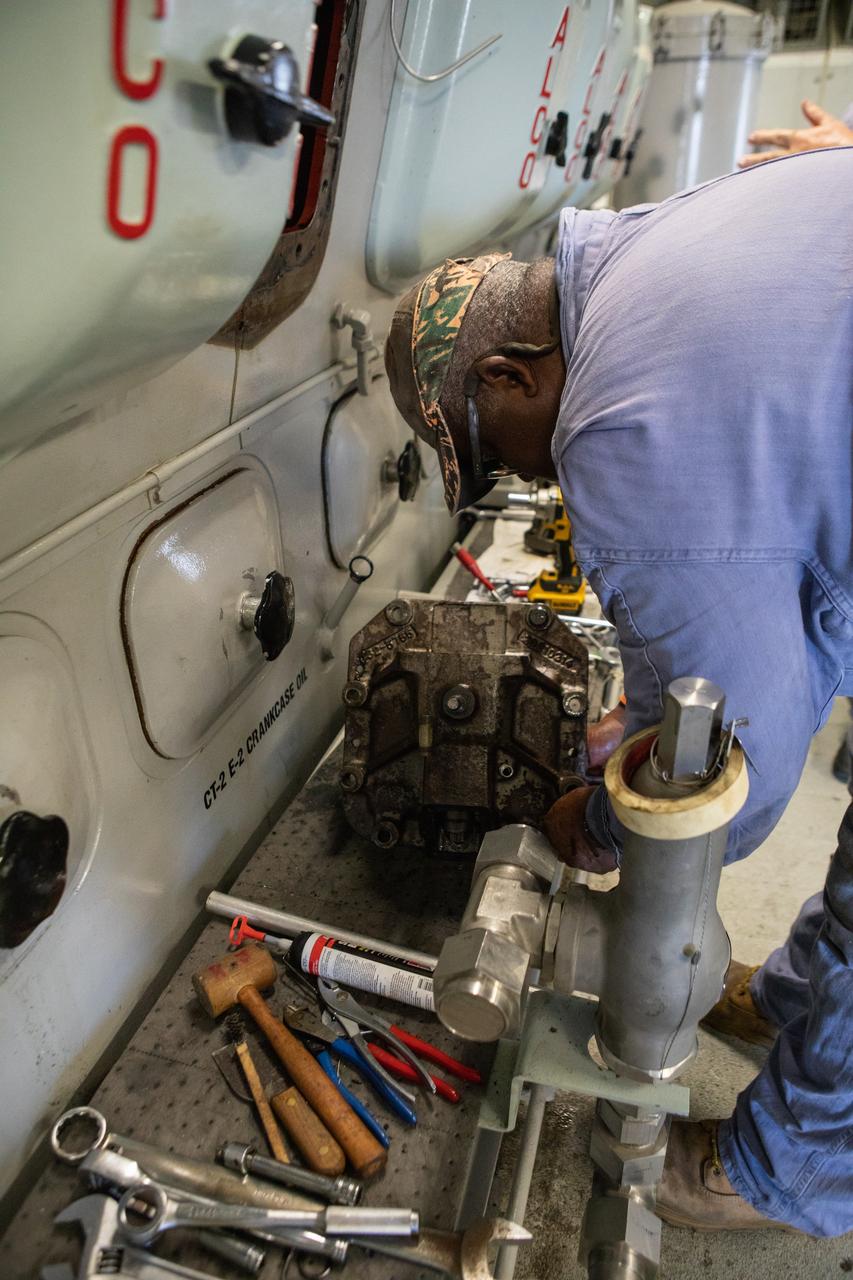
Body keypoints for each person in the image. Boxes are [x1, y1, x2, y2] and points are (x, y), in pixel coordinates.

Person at [384, 144, 853, 1238]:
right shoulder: (646, 251)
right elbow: (795, 568)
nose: (527, 482)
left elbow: (744, 765)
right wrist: (643, 718)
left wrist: (597, 823)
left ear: (508, 374)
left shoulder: (611, 423)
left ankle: (788, 1170)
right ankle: (789, 1000)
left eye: (495, 453)